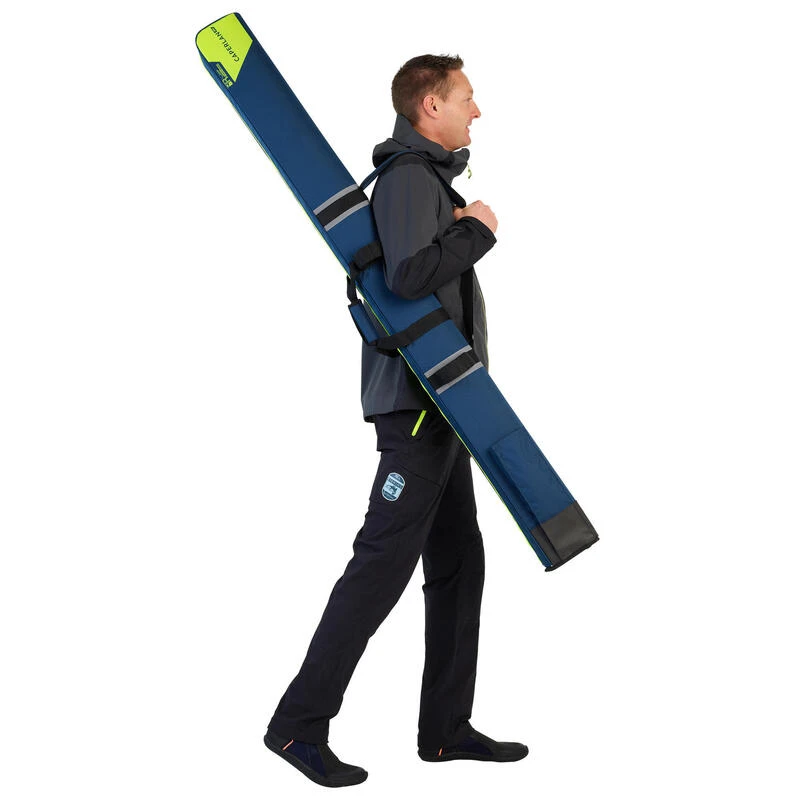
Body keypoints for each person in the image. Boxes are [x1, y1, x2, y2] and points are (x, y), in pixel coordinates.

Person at [264, 54, 527, 789]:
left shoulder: (426, 179)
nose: (477, 111)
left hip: (444, 408)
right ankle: (297, 725)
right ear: (430, 105)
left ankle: (444, 730)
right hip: (418, 408)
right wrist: (477, 231)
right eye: (467, 98)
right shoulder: (411, 177)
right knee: (381, 565)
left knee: (459, 563)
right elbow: (408, 278)